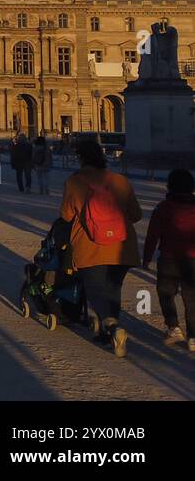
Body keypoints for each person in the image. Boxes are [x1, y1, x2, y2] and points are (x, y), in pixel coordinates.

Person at [59, 139, 141, 357]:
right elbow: (136, 215)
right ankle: (108, 333)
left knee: (95, 291)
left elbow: (66, 215)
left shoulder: (75, 182)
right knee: (113, 290)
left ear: (81, 158)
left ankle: (113, 328)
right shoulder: (120, 180)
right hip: (122, 247)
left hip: (91, 246)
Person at [142, 168, 195, 350]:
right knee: (192, 298)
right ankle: (193, 336)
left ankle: (173, 327)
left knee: (166, 293)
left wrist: (146, 258)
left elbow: (152, 235)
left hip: (169, 258)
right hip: (193, 260)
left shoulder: (163, 207)